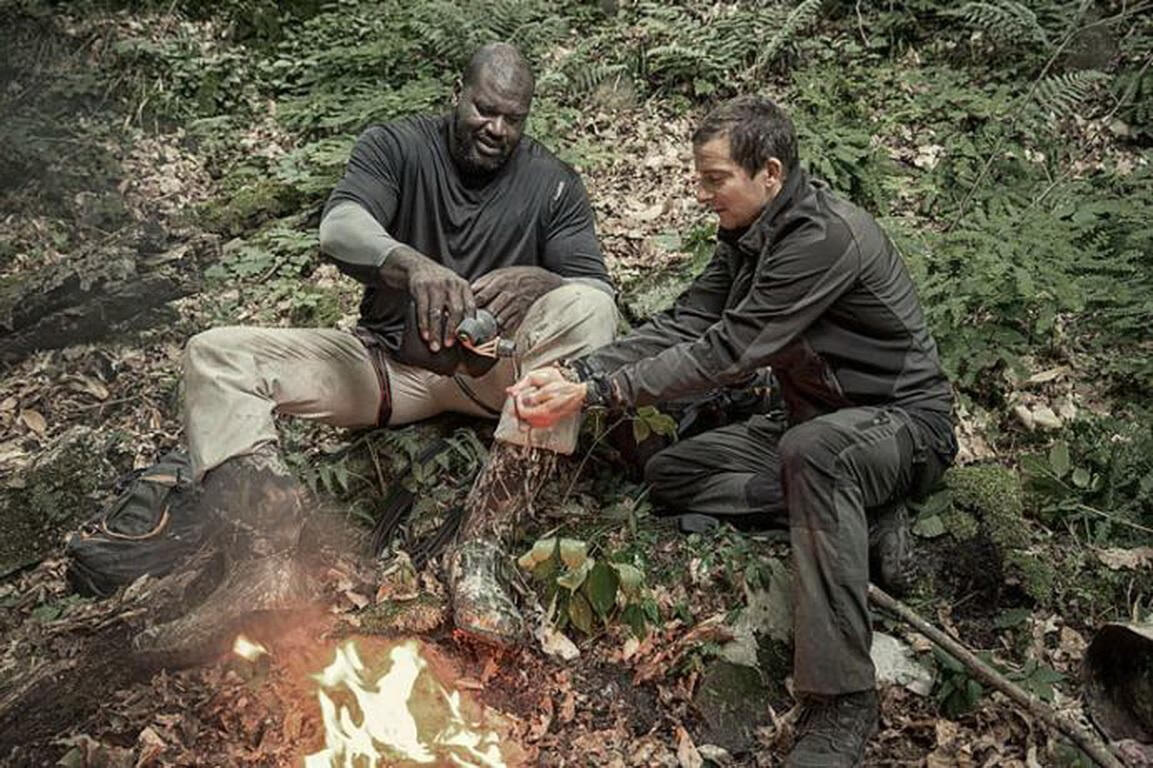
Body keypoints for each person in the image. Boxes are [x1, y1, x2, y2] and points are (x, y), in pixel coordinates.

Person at [509, 95, 957, 768]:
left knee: (816, 455)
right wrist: (578, 369)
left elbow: (729, 350)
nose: (701, 193)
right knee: (672, 475)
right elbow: (686, 321)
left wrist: (599, 391)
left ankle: (842, 702)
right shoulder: (748, 237)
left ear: (768, 173)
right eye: (699, 177)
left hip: (901, 424)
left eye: (714, 178)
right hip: (808, 418)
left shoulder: (820, 237)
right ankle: (855, 516)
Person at [134, 43, 617, 659]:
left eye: (512, 118)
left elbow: (598, 294)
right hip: (386, 365)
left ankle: (482, 551)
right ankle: (265, 564)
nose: (496, 129)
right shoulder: (398, 145)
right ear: (458, 94)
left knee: (589, 308)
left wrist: (544, 281)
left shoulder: (552, 183)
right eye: (485, 109)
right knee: (215, 354)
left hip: (495, 377)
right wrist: (410, 265)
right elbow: (339, 229)